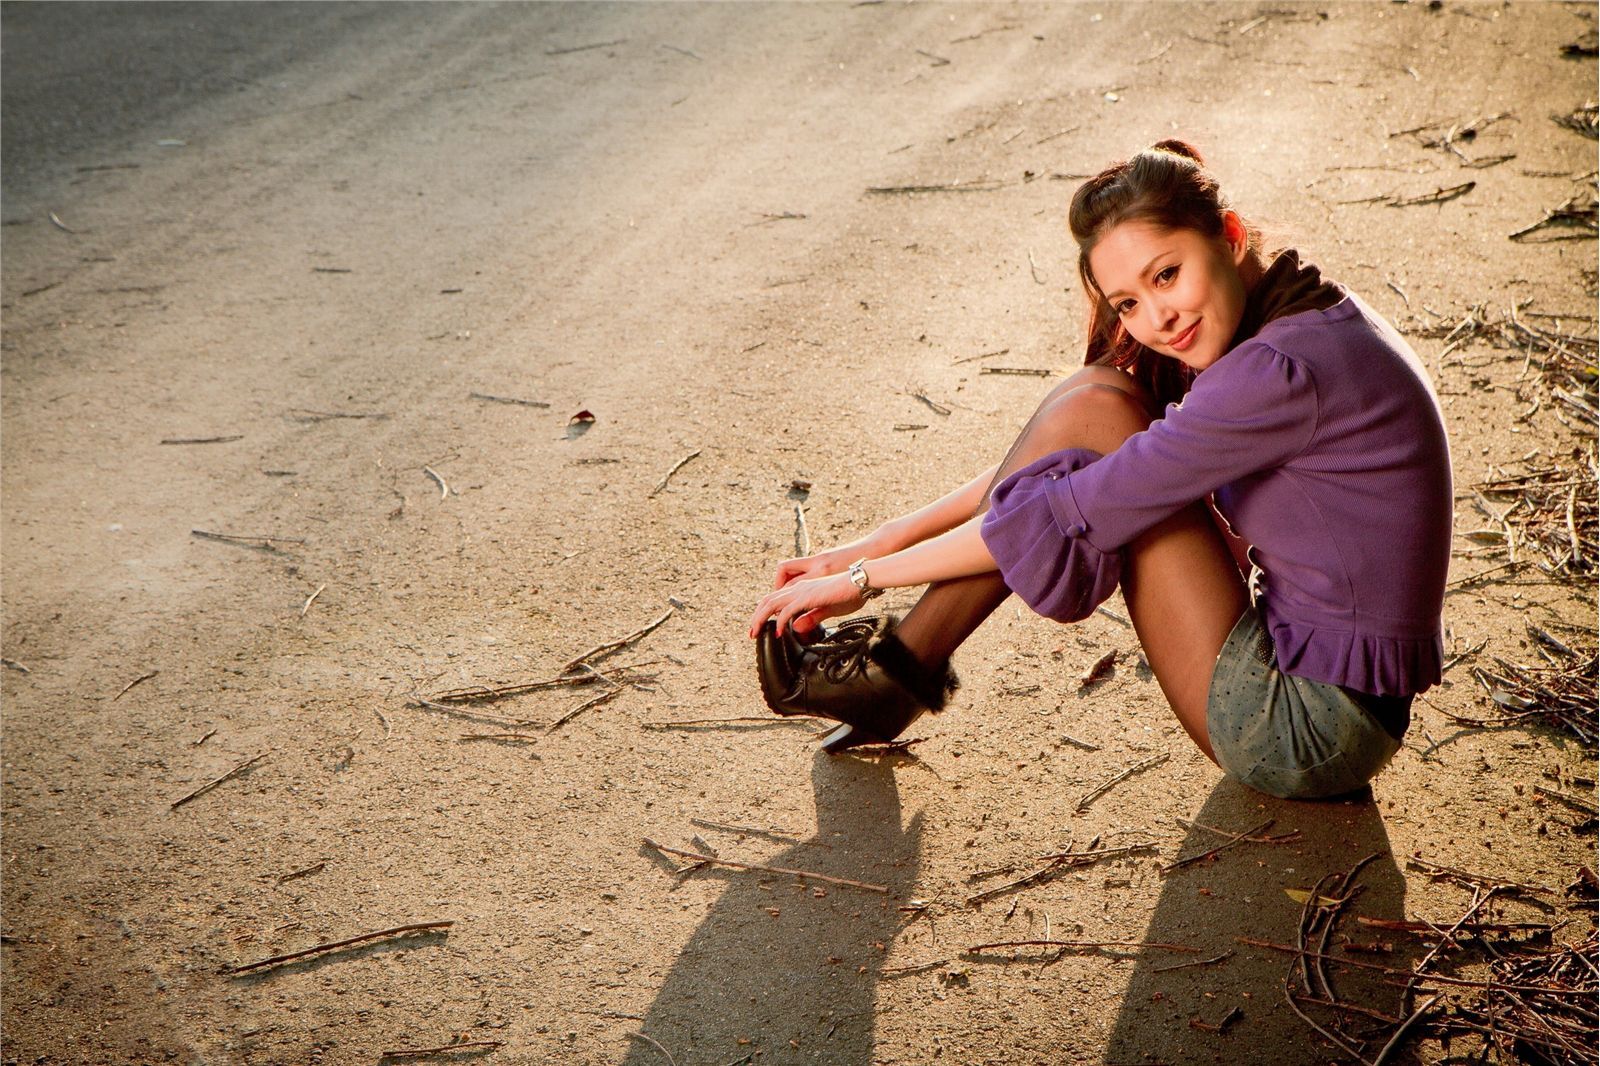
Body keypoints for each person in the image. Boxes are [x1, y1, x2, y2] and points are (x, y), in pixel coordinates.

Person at [747, 140, 1452, 801]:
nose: (1159, 320)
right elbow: (1082, 460)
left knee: (1099, 425)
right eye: (1128, 304)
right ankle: (896, 670)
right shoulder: (1302, 315)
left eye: (1167, 274)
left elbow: (1071, 505)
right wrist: (881, 542)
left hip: (1308, 729)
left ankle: (896, 668)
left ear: (1230, 234)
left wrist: (864, 579)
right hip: (1341, 697)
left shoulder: (1279, 373)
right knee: (1103, 400)